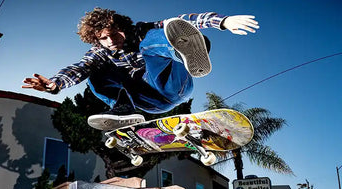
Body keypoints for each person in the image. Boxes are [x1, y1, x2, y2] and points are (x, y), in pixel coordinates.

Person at [22, 8, 259, 130]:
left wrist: (222, 22)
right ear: (97, 40)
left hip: (174, 84)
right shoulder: (100, 51)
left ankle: (183, 50)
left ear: (123, 27)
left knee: (155, 37)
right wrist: (56, 83)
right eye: (104, 38)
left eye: (115, 33)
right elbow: (80, 67)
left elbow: (179, 21)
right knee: (94, 72)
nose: (111, 40)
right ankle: (123, 108)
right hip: (147, 101)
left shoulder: (140, 31)